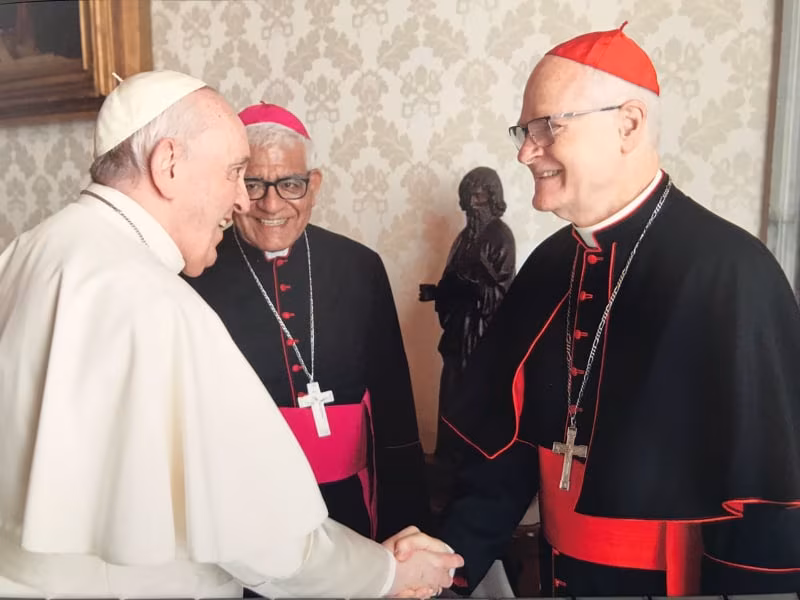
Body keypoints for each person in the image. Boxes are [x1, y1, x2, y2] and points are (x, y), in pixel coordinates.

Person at [0, 69, 462, 599]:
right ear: (169, 165)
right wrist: (384, 574)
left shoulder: (27, 252)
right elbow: (263, 540)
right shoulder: (157, 302)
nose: (245, 202)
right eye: (235, 173)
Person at [433, 23, 800, 597]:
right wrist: (449, 573)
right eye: (524, 131)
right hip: (555, 575)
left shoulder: (731, 272)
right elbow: (503, 458)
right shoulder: (551, 264)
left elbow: (766, 509)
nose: (526, 151)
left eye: (547, 127)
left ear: (628, 124)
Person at [185, 103, 431, 543]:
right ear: (232, 189)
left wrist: (408, 527)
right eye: (253, 184)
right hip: (244, 513)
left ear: (313, 185)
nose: (271, 204)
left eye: (290, 184)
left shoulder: (359, 266)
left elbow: (394, 408)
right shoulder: (197, 274)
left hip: (351, 507)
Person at [419, 166, 515, 460]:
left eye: (479, 197)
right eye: (468, 197)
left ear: (492, 198)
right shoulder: (463, 238)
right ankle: (447, 460)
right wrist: (438, 293)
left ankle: (469, 463)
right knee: (450, 397)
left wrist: (473, 286)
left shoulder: (500, 236)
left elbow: (501, 294)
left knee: (476, 402)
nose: (472, 205)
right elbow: (453, 281)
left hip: (482, 338)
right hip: (458, 334)